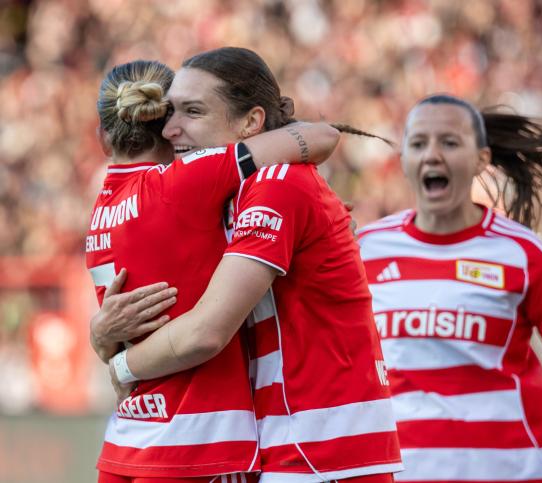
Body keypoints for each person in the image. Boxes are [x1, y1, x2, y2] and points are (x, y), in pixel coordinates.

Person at [95, 47, 402, 483]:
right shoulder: (226, 197)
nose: (171, 128)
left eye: (193, 111)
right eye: (169, 112)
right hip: (287, 442)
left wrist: (121, 366)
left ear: (251, 123)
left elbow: (205, 331)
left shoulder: (278, 185)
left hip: (319, 445)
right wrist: (102, 333)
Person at [357, 94, 542, 483]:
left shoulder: (525, 254)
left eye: (449, 142)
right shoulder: (363, 249)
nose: (432, 155)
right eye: (418, 143)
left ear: (481, 159)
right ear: (404, 160)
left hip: (509, 472)